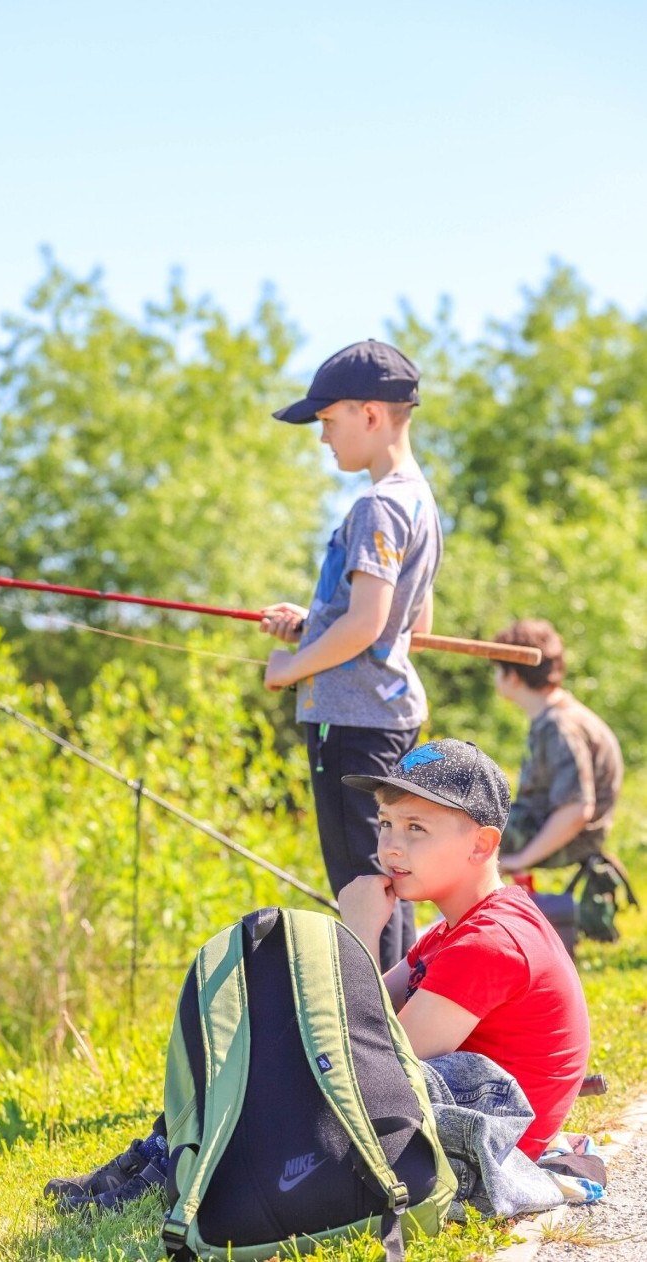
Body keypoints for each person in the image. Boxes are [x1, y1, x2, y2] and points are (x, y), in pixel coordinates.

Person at [44, 739, 590, 1213]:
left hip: (478, 1149)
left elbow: (374, 1058)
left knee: (295, 1064)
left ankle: (180, 1167)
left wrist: (357, 931)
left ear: (483, 844)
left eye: (416, 828)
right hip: (443, 1118)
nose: (391, 847)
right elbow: (364, 1014)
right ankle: (163, 1159)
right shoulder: (454, 929)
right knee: (277, 1020)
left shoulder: (488, 941)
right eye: (385, 824)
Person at [260, 339, 443, 970]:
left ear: (370, 415)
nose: (322, 439)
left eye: (328, 420)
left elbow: (367, 623)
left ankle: (379, 1040)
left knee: (365, 888)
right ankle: (403, 1025)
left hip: (352, 722)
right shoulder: (419, 500)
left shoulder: (376, 504)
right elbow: (410, 620)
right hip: (388, 715)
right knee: (394, 877)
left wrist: (290, 667)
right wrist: (314, 627)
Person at [490, 619, 624, 872]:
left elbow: (576, 810)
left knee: (463, 833)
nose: (496, 677)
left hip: (571, 841)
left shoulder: (560, 727)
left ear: (513, 676)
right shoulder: (550, 717)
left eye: (498, 670)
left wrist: (519, 861)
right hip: (543, 825)